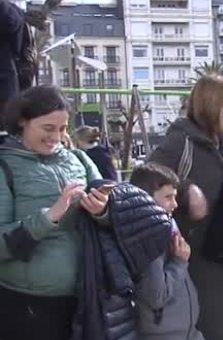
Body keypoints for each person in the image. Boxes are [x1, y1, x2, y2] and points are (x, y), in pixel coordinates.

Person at [149, 74, 223, 340]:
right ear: (213, 105)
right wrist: (186, 190)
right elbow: (145, 180)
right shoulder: (181, 141)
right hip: (204, 263)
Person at [0, 85, 109, 340]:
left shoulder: (79, 159)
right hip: (29, 305)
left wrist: (102, 211)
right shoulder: (5, 166)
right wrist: (50, 217)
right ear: (22, 123)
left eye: (62, 129)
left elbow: (112, 210)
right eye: (48, 128)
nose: (56, 137)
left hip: (87, 296)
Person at [129, 163, 204, 340]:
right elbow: (156, 296)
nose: (175, 204)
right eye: (168, 197)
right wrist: (179, 262)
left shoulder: (167, 229)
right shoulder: (148, 237)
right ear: (145, 198)